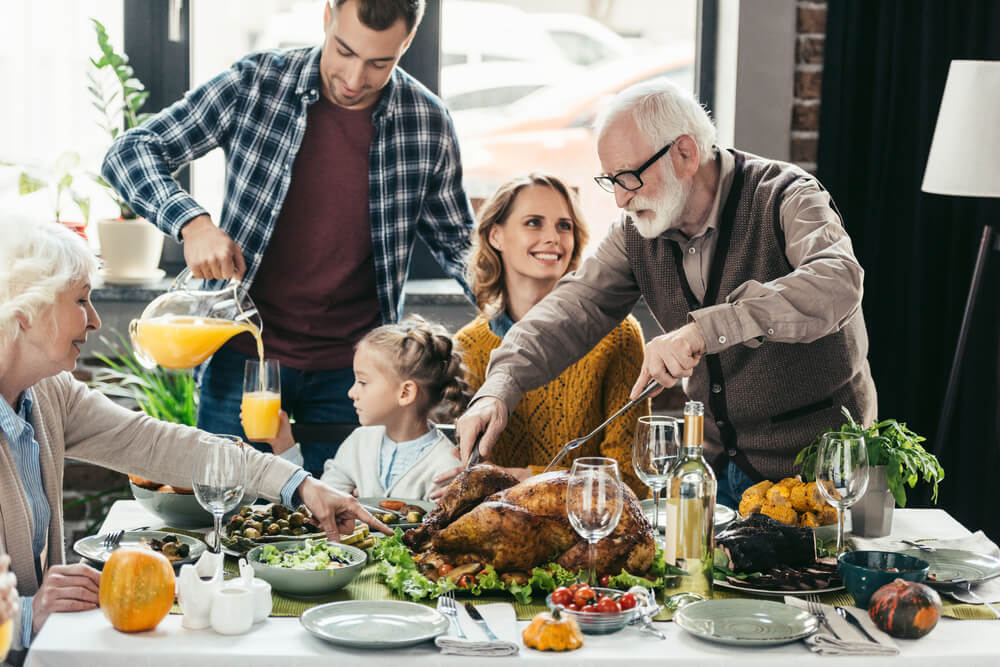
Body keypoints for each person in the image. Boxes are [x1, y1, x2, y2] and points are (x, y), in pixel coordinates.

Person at [456, 78, 877, 510]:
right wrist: (498, 388)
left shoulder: (787, 195)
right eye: (611, 181)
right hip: (716, 474)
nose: (620, 199)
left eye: (630, 177)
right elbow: (573, 307)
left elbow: (837, 281)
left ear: (685, 153)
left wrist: (700, 332)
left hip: (825, 476)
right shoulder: (636, 232)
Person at [101, 0, 474, 476]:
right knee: (227, 512)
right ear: (327, 18)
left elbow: (462, 246)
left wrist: (529, 319)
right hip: (243, 361)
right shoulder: (256, 83)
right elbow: (129, 152)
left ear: (406, 43)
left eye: (380, 63)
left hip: (357, 377)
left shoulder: (426, 122)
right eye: (344, 51)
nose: (355, 78)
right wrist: (191, 222)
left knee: (340, 529)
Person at [0, 218, 389, 656]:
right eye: (82, 300)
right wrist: (28, 614)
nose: (94, 319)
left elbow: (154, 444)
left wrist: (300, 484)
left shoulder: (48, 393)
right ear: (26, 312)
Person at [430, 173, 647, 499]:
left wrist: (525, 479)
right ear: (496, 236)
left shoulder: (619, 336)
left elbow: (630, 478)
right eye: (533, 222)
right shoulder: (466, 347)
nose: (553, 238)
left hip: (587, 531)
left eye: (564, 226)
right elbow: (454, 468)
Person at [266, 317, 468, 501]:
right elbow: (318, 502)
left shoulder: (447, 467)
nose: (351, 392)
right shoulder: (359, 441)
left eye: (362, 382)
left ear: (405, 393)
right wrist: (286, 449)